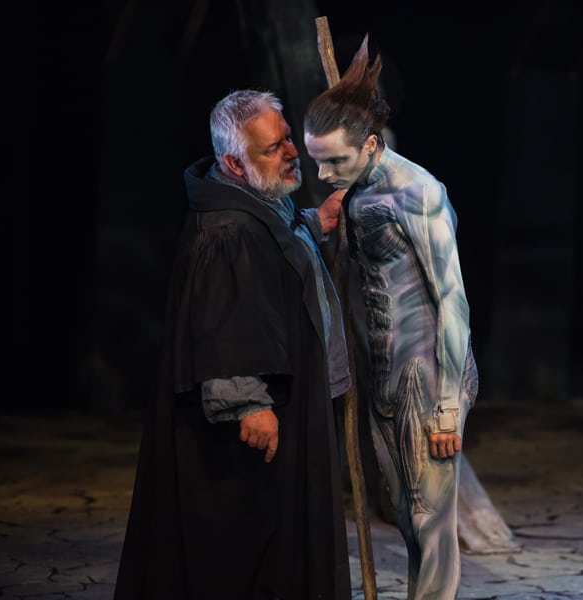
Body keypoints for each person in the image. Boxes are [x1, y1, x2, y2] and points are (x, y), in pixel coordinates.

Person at [113, 89, 353, 600]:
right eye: (273, 148)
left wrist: (315, 222)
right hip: (256, 418)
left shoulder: (256, 203)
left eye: (287, 137)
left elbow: (271, 252)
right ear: (234, 164)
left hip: (285, 403)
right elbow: (221, 319)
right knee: (248, 550)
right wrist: (248, 404)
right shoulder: (225, 229)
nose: (291, 151)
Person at [303, 34, 479, 600]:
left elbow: (452, 298)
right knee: (406, 517)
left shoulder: (419, 193)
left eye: (336, 160)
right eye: (317, 160)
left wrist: (447, 406)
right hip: (383, 374)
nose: (324, 172)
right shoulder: (352, 192)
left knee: (430, 522)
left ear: (372, 144)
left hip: (428, 376)